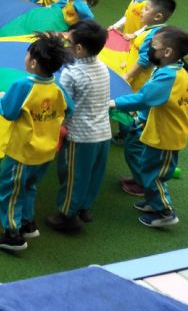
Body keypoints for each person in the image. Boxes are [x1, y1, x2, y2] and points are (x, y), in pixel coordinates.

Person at [0, 32, 73, 251]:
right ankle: (28, 223)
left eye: (27, 55)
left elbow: (9, 112)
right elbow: (70, 109)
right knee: (29, 186)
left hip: (22, 151)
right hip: (46, 151)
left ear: (34, 62)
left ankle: (13, 234)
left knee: (10, 191)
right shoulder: (57, 87)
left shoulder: (23, 85)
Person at [110, 27, 188, 227]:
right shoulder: (169, 70)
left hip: (166, 135)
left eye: (153, 46)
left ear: (167, 52)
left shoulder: (168, 76)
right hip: (158, 130)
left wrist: (115, 102)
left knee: (154, 174)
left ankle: (165, 212)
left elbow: (145, 98)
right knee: (148, 166)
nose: (149, 49)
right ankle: (153, 202)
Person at [45, 21, 111, 232]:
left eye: (69, 42)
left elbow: (63, 104)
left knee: (73, 176)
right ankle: (84, 207)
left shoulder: (71, 72)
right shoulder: (103, 67)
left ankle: (67, 215)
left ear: (79, 49)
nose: (66, 44)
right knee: (93, 174)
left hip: (80, 136)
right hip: (103, 132)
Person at [117, 0, 176, 197]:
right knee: (133, 134)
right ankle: (139, 177)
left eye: (146, 9)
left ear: (158, 16)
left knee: (135, 140)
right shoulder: (149, 31)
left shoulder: (154, 35)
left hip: (139, 87)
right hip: (137, 86)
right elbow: (138, 52)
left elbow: (145, 59)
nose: (141, 11)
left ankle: (143, 183)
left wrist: (128, 75)